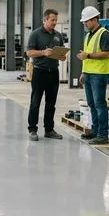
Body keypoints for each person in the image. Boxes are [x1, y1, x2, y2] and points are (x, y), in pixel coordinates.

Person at [25, 9, 66, 141]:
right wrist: (43, 53)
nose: (55, 22)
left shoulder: (58, 35)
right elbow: (29, 52)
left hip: (53, 73)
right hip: (39, 72)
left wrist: (62, 56)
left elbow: (62, 53)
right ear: (45, 20)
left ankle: (49, 130)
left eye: (56, 20)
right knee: (35, 102)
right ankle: (32, 129)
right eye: (52, 20)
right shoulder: (36, 34)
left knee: (51, 103)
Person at [76, 6, 109, 145]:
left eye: (86, 21)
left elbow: (107, 53)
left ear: (94, 19)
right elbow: (87, 56)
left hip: (100, 74)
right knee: (91, 104)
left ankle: (103, 135)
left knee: (99, 104)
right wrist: (83, 72)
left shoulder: (104, 34)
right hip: (89, 74)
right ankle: (95, 130)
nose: (84, 24)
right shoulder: (88, 35)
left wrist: (89, 55)